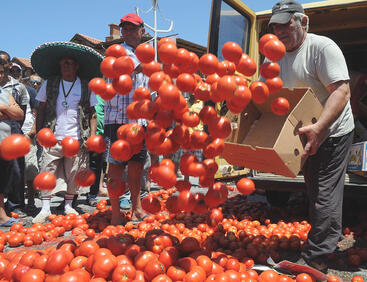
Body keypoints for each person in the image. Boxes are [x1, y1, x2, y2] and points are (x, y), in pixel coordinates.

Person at [266, 0, 355, 271]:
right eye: (275, 26)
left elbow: (341, 92)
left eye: (285, 24)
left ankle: (317, 259)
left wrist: (319, 130)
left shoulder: (321, 48)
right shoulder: (276, 55)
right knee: (314, 188)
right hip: (306, 131)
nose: (279, 31)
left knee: (324, 193)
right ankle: (328, 236)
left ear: (303, 22)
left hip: (333, 130)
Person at [31, 42, 102, 223]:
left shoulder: (86, 86)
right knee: (47, 170)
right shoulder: (49, 83)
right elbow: (41, 107)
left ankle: (68, 205)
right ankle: (45, 208)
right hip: (51, 136)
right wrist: (39, 131)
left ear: (77, 66)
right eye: (64, 62)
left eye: (70, 62)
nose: (66, 65)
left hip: (77, 138)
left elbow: (93, 114)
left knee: (74, 173)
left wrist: (92, 136)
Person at [104, 13, 149, 225]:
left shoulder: (147, 55)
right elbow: (129, 66)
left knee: (136, 166)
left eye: (132, 28)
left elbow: (151, 89)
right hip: (117, 120)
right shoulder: (116, 52)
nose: (128, 32)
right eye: (125, 29)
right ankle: (115, 214)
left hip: (139, 122)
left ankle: (136, 208)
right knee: (116, 168)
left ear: (142, 31)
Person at [0, 52, 30, 217]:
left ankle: (16, 204)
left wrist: (4, 109)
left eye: (4, 64)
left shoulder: (17, 87)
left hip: (13, 130)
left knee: (16, 170)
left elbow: (20, 113)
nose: (2, 68)